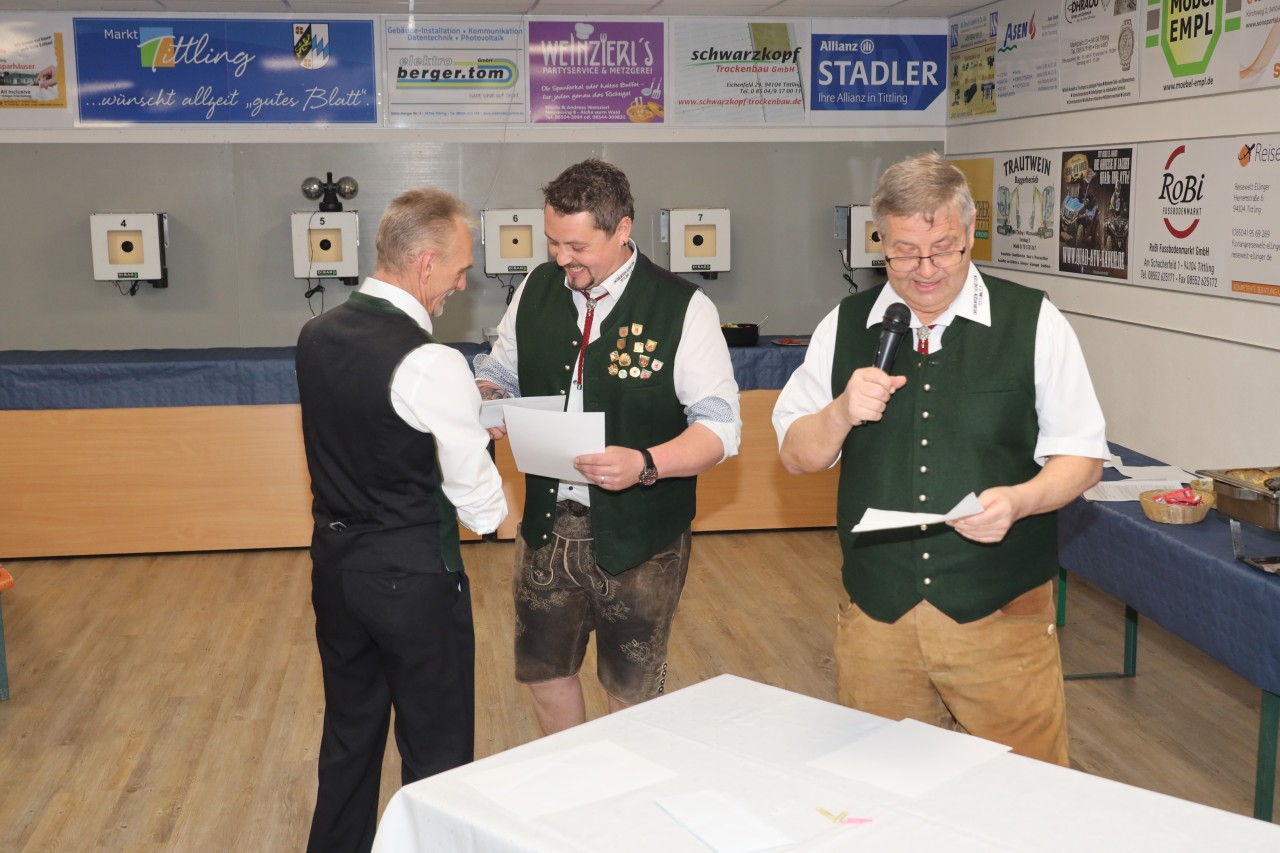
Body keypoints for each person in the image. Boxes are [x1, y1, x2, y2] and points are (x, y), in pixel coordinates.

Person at [772, 152, 1106, 766]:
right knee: (880, 789)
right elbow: (796, 456)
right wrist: (840, 412)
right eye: (904, 253)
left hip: (999, 616)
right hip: (879, 618)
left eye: (943, 250)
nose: (925, 271)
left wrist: (1020, 501)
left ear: (971, 231)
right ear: (880, 241)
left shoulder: (1033, 321)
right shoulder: (844, 325)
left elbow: (1081, 458)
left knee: (1027, 793)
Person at [474, 158, 741, 735]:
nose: (561, 259)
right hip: (547, 524)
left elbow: (720, 429)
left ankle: (628, 782)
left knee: (631, 686)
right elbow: (499, 369)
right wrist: (490, 398)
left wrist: (646, 463)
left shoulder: (682, 307)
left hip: (643, 534)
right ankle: (574, 774)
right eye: (553, 242)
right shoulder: (536, 289)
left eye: (577, 246)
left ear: (622, 229)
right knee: (544, 670)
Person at [295, 187, 506, 853]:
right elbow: (484, 510)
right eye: (459, 269)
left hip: (336, 569)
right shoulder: (432, 361)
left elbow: (365, 427)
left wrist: (449, 416)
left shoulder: (316, 334)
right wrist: (476, 431)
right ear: (425, 263)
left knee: (349, 736)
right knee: (437, 752)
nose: (461, 283)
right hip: (413, 580)